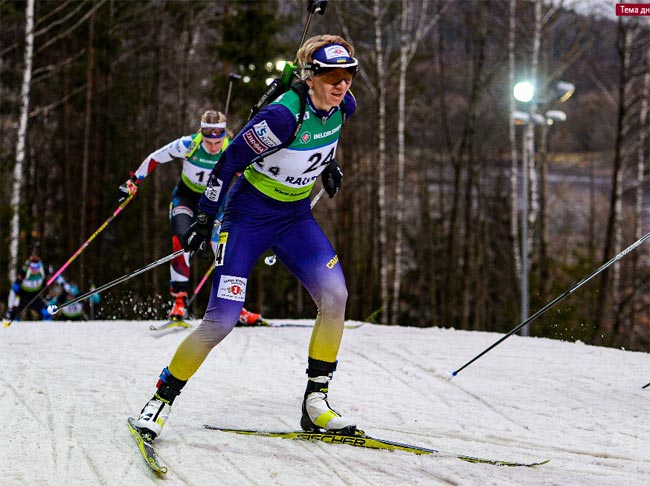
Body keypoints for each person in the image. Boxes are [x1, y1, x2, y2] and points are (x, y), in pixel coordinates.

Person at [132, 34, 358, 440]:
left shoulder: (344, 107)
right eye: (331, 75)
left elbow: (318, 142)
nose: (341, 84)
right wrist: (204, 217)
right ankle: (159, 401)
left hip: (294, 217)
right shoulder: (281, 117)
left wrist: (328, 164)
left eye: (349, 74)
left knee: (335, 296)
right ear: (310, 77)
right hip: (248, 217)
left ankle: (315, 403)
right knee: (222, 320)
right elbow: (230, 160)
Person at [117, 110, 265, 325]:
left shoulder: (231, 149)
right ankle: (178, 302)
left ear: (224, 135)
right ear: (201, 134)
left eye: (217, 142)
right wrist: (133, 182)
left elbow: (251, 177)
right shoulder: (188, 145)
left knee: (223, 250)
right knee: (182, 240)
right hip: (186, 200)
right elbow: (154, 158)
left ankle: (234, 307)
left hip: (216, 205)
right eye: (208, 142)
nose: (213, 147)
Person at [5, 255, 56, 321]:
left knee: (46, 313)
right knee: (14, 316)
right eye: (33, 268)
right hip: (24, 297)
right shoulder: (25, 271)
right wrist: (11, 307)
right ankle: (11, 313)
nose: (35, 271)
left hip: (35, 296)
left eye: (37, 268)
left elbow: (56, 274)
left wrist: (55, 274)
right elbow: (16, 285)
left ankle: (48, 329)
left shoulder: (43, 269)